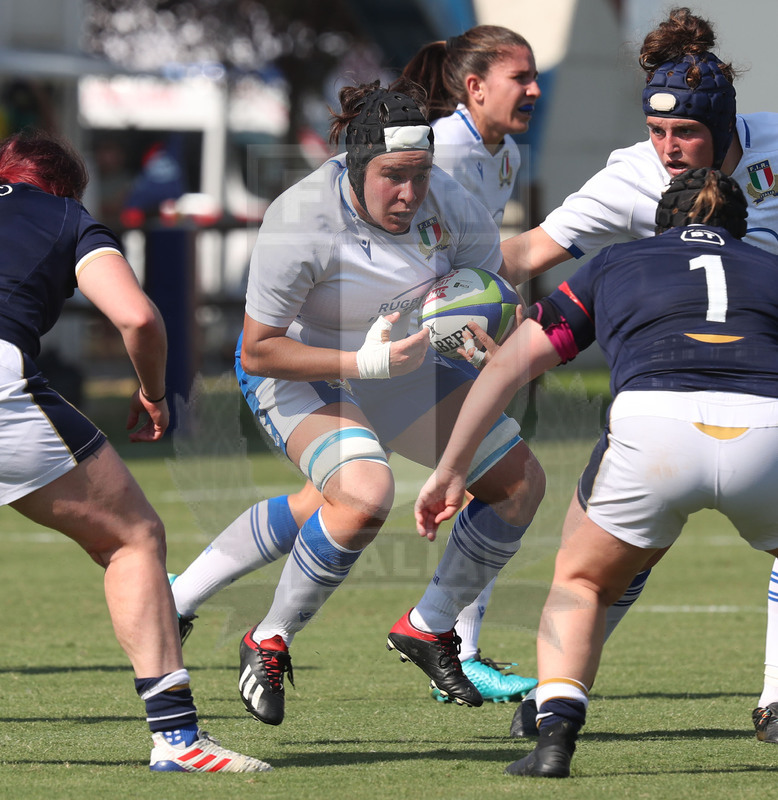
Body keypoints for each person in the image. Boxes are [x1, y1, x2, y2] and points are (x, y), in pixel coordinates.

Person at [170, 24, 542, 705]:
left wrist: (483, 333)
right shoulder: (302, 219)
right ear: (354, 165)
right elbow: (258, 349)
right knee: (363, 494)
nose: (409, 194)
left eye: (420, 176)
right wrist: (360, 362)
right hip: (299, 370)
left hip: (403, 365)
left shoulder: (446, 201)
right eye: (393, 178)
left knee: (518, 486)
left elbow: (491, 293)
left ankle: (429, 629)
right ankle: (270, 639)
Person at [416, 167, 778, 778]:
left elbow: (507, 369)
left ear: (661, 223)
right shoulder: (768, 266)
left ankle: (554, 735)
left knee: (581, 582)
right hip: (769, 427)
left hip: (653, 426)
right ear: (743, 231)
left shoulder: (617, 263)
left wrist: (452, 467)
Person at [492, 6, 778, 740]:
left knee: (594, 557)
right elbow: (526, 254)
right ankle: (542, 682)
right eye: (656, 132)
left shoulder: (777, 142)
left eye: (685, 133)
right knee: (617, 556)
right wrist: (428, 286)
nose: (670, 151)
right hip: (690, 392)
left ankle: (771, 699)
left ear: (726, 126)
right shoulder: (630, 175)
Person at [0, 129, 270, 774]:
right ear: (65, 189)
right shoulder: (66, 217)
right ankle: (178, 741)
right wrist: (153, 393)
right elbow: (139, 318)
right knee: (134, 537)